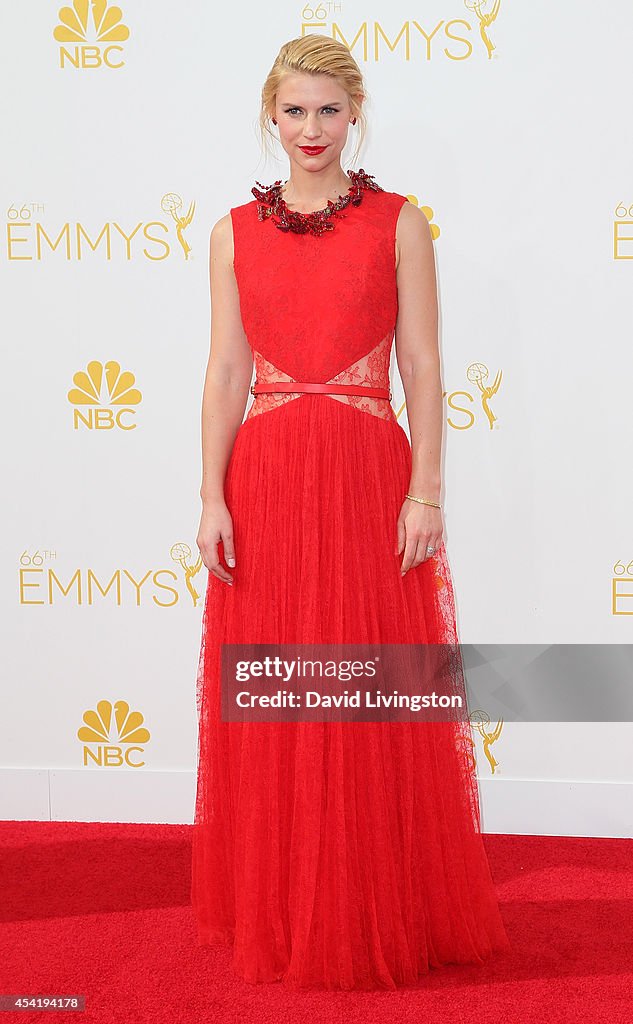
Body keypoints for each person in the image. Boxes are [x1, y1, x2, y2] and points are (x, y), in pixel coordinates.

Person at [191, 34, 511, 991]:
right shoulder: (229, 234)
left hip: (371, 473)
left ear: (356, 113)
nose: (311, 130)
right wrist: (211, 493)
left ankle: (376, 900)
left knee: (370, 693)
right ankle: (285, 905)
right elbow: (225, 371)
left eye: (329, 110)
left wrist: (426, 487)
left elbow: (420, 366)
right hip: (270, 473)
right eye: (293, 111)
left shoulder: (398, 222)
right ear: (268, 114)